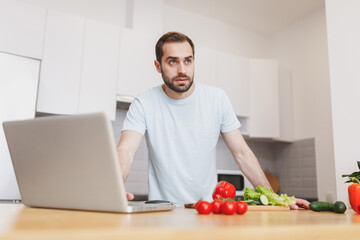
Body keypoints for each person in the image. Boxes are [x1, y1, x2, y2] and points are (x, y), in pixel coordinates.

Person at [117, 31, 310, 210]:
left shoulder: (217, 98)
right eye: (173, 62)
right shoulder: (144, 102)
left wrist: (277, 199)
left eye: (188, 61)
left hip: (206, 210)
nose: (182, 69)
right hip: (162, 210)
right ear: (158, 66)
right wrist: (114, 188)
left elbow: (242, 153)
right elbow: (125, 151)